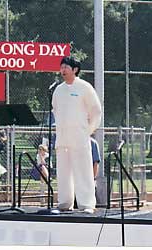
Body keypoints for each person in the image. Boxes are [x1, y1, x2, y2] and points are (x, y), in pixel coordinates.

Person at [52, 56, 102, 214]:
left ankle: (87, 204)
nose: (63, 70)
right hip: (62, 137)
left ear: (75, 69)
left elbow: (96, 111)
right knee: (63, 171)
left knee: (83, 170)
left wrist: (88, 130)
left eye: (66, 67)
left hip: (80, 137)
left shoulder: (84, 87)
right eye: (61, 67)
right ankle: (65, 203)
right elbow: (55, 110)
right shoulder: (58, 90)